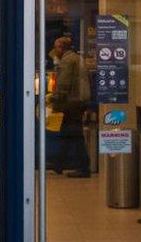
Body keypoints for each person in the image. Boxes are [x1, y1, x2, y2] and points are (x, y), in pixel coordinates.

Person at [47, 36, 91, 178]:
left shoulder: (67, 60)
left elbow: (64, 84)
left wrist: (53, 98)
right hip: (78, 102)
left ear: (61, 47)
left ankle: (83, 167)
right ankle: (59, 163)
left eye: (56, 47)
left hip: (71, 103)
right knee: (68, 133)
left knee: (75, 135)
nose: (54, 50)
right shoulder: (76, 58)